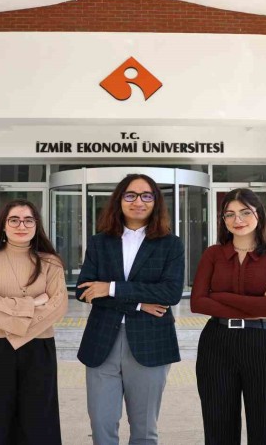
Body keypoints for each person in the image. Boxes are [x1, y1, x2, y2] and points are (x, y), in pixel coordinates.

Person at [76, 173, 185, 445]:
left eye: (146, 196)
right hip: (102, 341)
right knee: (101, 425)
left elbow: (170, 293)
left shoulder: (170, 244)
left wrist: (111, 287)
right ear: (119, 200)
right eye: (131, 195)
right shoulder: (100, 242)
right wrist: (138, 303)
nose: (138, 202)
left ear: (156, 202)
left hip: (151, 342)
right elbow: (84, 291)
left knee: (144, 429)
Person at [190, 188, 266, 445]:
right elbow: (198, 303)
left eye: (245, 212)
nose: (238, 220)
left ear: (259, 215)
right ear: (223, 219)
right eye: (230, 214)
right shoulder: (213, 254)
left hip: (263, 343)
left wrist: (219, 296)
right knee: (218, 428)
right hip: (217, 342)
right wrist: (259, 304)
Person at [0, 199, 68, 445]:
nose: (21, 225)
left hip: (39, 348)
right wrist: (31, 303)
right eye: (14, 220)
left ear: (36, 225)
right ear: (3, 225)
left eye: (28, 220)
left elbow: (58, 306)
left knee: (40, 421)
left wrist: (6, 312)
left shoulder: (51, 262)